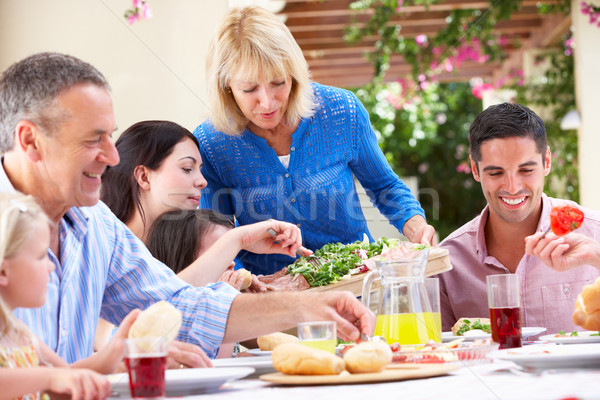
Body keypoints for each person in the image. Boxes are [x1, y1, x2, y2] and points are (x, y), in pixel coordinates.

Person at [0, 52, 374, 365]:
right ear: (30, 141)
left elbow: (177, 303)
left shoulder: (96, 225)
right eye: (92, 139)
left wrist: (305, 306)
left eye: (110, 136)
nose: (112, 156)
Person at [194, 6, 436, 276]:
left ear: (293, 74)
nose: (267, 101)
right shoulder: (211, 143)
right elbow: (218, 236)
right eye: (249, 88)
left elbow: (385, 187)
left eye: (278, 82)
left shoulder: (341, 110)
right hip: (271, 298)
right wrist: (244, 283)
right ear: (226, 86)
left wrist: (416, 226)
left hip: (355, 283)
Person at [438, 102, 600, 334]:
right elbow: (439, 355)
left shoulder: (594, 233)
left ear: (546, 162)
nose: (513, 187)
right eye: (495, 173)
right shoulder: (449, 262)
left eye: (526, 170)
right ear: (475, 169)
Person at [101, 120, 277, 289]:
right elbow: (164, 303)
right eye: (187, 168)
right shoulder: (103, 249)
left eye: (200, 170)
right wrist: (239, 239)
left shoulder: (178, 253)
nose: (203, 182)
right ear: (144, 177)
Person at [0, 192, 139, 400]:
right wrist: (48, 378)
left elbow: (68, 376)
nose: (50, 266)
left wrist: (118, 348)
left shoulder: (21, 335)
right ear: (3, 272)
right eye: (40, 256)